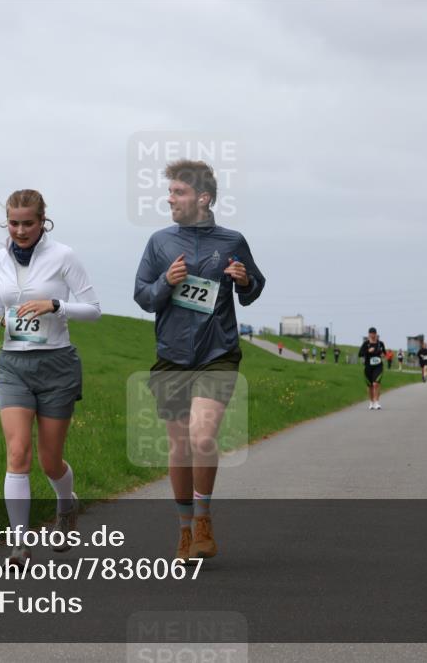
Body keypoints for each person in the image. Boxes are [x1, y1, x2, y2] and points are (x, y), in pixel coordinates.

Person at [134, 159, 265, 562]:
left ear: (203, 198)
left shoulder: (231, 240)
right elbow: (142, 296)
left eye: (179, 192)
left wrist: (244, 281)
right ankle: (184, 530)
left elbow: (254, 286)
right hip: (172, 357)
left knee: (202, 437)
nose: (170, 198)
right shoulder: (159, 242)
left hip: (217, 354)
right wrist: (164, 283)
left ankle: (204, 518)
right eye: (170, 192)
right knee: (178, 447)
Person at [0, 189, 101, 567]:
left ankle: (66, 505)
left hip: (56, 366)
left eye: (28, 223)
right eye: (14, 223)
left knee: (51, 462)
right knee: (18, 453)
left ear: (42, 221)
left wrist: (55, 305)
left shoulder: (63, 256)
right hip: (13, 365)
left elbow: (94, 311)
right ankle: (19, 544)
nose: (20, 230)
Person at [358, 328, 387, 410]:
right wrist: (368, 351)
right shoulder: (366, 344)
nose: (373, 335)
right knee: (370, 386)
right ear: (369, 334)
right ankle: (371, 402)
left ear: (376, 334)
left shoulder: (380, 344)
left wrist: (383, 354)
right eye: (371, 333)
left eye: (374, 333)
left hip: (378, 366)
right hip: (368, 367)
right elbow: (360, 354)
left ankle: (377, 402)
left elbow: (384, 353)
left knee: (376, 384)